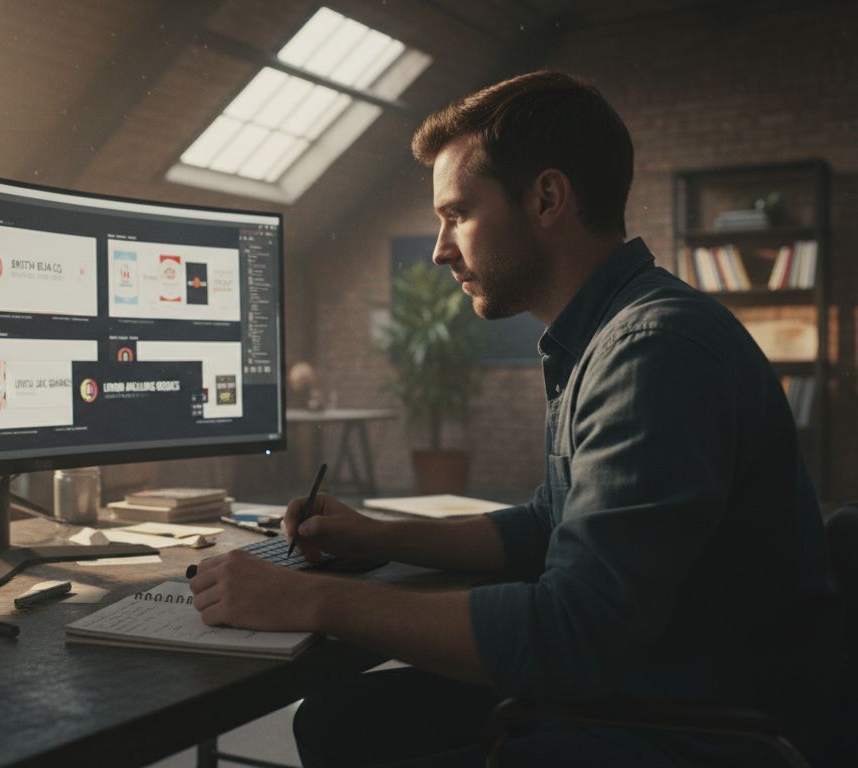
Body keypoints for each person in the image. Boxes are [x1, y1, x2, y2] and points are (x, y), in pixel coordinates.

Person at [188, 70, 838, 767]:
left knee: (353, 728)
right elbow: (548, 524)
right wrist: (378, 534)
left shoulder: (652, 351)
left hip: (689, 724)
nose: (440, 248)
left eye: (457, 214)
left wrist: (308, 601)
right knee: (338, 721)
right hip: (659, 682)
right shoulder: (609, 333)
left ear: (547, 199)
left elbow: (572, 636)